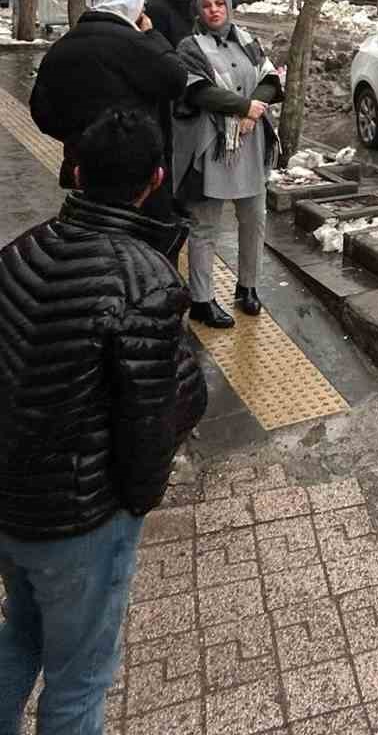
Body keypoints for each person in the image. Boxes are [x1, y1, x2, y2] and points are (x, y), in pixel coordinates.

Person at [0, 109, 207, 735]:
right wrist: (137, 503)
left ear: (78, 171)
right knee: (80, 681)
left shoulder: (19, 251)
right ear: (156, 179)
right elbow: (155, 418)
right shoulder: (145, 280)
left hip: (12, 503)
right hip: (80, 518)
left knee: (23, 635)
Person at [29, 0, 188, 205]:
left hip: (84, 166)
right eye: (140, 0)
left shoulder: (63, 45)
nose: (143, 8)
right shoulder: (136, 44)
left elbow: (42, 111)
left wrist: (79, 139)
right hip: (135, 168)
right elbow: (176, 78)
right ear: (129, 0)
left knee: (90, 227)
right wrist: (152, 34)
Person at [173, 0, 283, 328]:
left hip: (250, 145)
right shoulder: (190, 47)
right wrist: (244, 107)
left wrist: (253, 112)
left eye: (220, 3)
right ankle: (202, 300)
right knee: (205, 226)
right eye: (207, 5)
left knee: (254, 219)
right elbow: (199, 91)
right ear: (199, 11)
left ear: (229, 6)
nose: (214, 10)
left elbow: (269, 78)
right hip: (212, 146)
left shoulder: (247, 40)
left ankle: (247, 287)